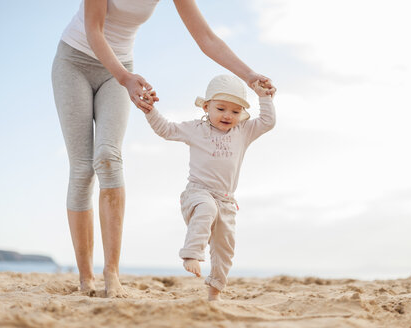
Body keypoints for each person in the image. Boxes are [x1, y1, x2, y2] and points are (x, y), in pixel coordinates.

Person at [51, 0, 276, 298]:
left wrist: (249, 76)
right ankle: (85, 277)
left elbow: (206, 38)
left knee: (108, 157)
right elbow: (94, 31)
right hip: (75, 62)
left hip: (119, 69)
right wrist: (126, 78)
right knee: (82, 168)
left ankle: (112, 273)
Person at [142, 75, 276, 300]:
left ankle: (214, 294)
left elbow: (267, 122)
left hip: (226, 200)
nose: (227, 115)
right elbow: (165, 129)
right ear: (206, 106)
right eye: (221, 108)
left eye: (235, 112)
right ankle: (192, 254)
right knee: (207, 209)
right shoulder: (196, 129)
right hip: (198, 193)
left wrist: (265, 98)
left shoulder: (243, 131)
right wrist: (150, 110)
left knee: (225, 249)